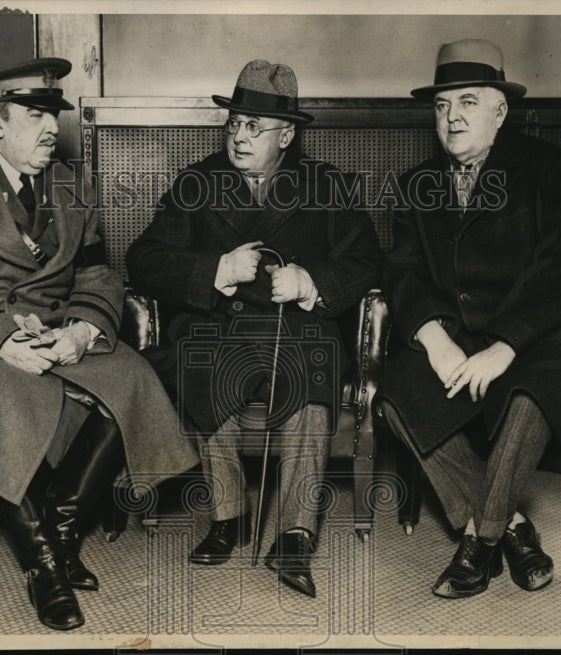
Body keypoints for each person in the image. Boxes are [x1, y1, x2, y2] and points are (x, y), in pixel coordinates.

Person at [0, 57, 199, 630]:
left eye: (53, 113)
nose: (52, 127)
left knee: (132, 376)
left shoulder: (69, 184)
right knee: (8, 393)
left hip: (55, 328)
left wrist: (82, 330)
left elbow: (96, 273)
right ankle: (44, 570)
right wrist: (2, 339)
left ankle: (57, 530)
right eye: (35, 115)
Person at [126, 59, 384, 598]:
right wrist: (215, 270)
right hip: (222, 324)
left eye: (253, 127)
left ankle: (294, 534)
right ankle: (228, 518)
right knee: (200, 356)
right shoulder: (198, 182)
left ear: (286, 134)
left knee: (316, 362)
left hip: (297, 327)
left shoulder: (326, 185)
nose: (238, 137)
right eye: (233, 124)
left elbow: (367, 261)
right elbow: (143, 259)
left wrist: (311, 280)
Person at [376, 39, 561, 598]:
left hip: (548, 330)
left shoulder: (550, 168)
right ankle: (511, 527)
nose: (452, 117)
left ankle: (478, 545)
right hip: (460, 333)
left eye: (467, 101)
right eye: (441, 105)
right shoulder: (417, 184)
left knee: (532, 391)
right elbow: (404, 272)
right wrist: (433, 337)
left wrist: (507, 344)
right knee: (396, 395)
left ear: (500, 111)